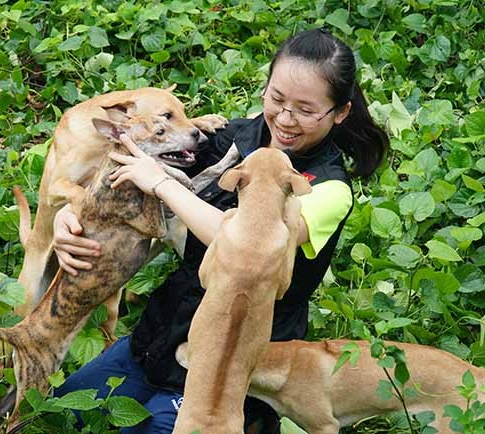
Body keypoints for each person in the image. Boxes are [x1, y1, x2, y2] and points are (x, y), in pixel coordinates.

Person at [51, 28, 389, 433]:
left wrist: (161, 184)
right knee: (59, 413)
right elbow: (131, 169)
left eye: (304, 109)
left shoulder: (328, 189)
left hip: (238, 356)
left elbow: (247, 244)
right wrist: (70, 216)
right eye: (276, 99)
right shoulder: (234, 137)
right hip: (168, 329)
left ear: (340, 112)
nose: (284, 118)